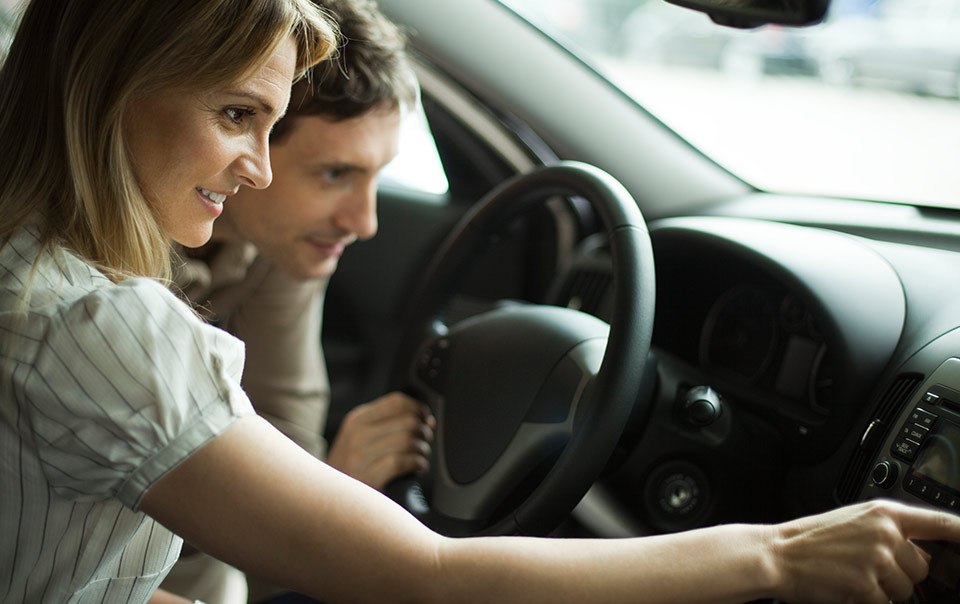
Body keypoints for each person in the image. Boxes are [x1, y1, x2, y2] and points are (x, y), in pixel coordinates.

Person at [2, 2, 960, 604]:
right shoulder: (103, 328)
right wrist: (780, 557)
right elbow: (423, 574)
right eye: (235, 116)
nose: (254, 168)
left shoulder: (31, 268)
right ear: (114, 86)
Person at [158, 1, 431, 601]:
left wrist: (324, 486)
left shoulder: (282, 246)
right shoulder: (100, 278)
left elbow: (284, 422)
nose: (365, 221)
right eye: (335, 174)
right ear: (239, 132)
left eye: (376, 175)